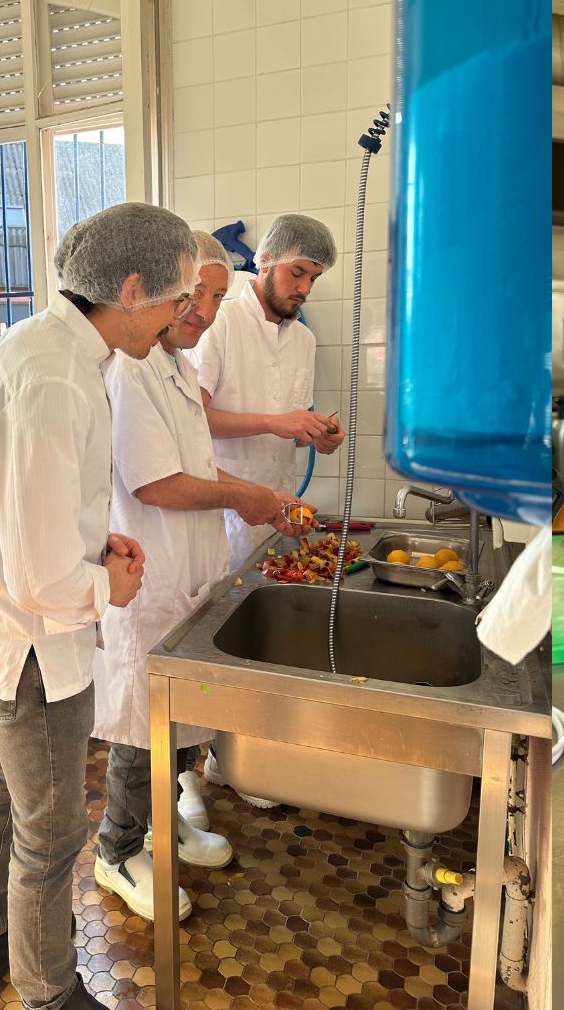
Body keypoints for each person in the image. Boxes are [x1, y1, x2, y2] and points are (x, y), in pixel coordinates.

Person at [0, 201, 195, 1010]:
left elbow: (44, 523)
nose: (178, 319)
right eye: (174, 301)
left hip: (5, 630)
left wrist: (99, 551)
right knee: (50, 832)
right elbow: (40, 577)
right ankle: (49, 990)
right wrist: (107, 585)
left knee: (0, 785)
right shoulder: (56, 380)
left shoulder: (44, 348)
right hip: (32, 645)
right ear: (129, 289)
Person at [90, 231, 309, 922]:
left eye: (216, 296)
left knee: (177, 721)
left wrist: (265, 496)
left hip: (189, 574)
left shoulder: (179, 366)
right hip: (146, 578)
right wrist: (249, 499)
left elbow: (200, 466)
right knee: (136, 731)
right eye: (194, 296)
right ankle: (117, 849)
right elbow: (154, 483)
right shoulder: (130, 369)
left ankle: (164, 826)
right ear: (162, 290)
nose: (206, 312)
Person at [184, 213, 339, 808]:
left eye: (314, 279)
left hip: (273, 516)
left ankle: (233, 758)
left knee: (251, 642)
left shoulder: (304, 338)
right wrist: (280, 422)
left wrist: (313, 434)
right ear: (267, 261)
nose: (304, 288)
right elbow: (191, 419)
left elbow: (286, 424)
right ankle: (186, 777)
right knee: (205, 647)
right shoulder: (216, 322)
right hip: (214, 510)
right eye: (298, 273)